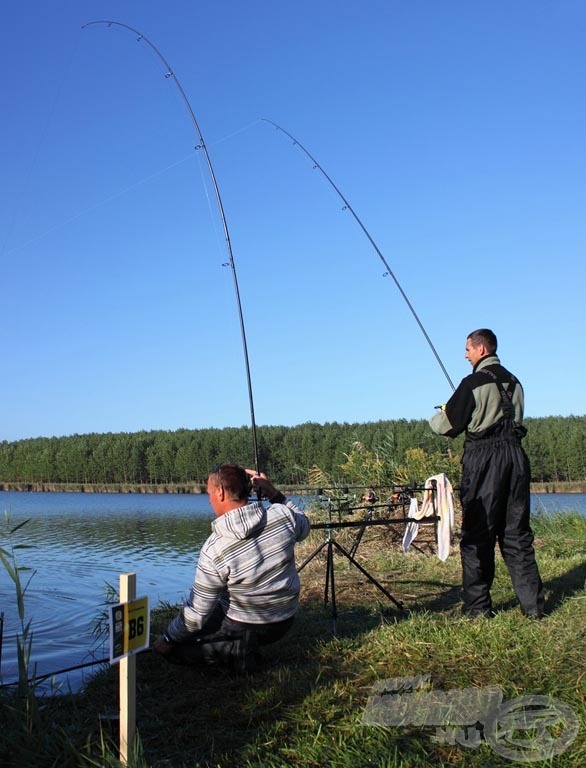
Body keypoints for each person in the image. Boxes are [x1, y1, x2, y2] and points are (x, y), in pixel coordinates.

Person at [429, 329, 544, 619]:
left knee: (478, 534)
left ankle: (479, 608)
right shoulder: (515, 382)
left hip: (485, 460)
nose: (465, 354)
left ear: (481, 349)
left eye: (468, 349)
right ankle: (534, 608)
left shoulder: (472, 382)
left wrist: (441, 411)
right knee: (517, 534)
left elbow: (447, 426)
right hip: (516, 458)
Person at [153, 463, 311, 671]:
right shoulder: (282, 515)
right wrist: (273, 492)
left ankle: (237, 651)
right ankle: (239, 646)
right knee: (213, 611)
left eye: (208, 492)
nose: (208, 499)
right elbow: (305, 525)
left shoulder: (214, 548)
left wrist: (167, 638)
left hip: (244, 624)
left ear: (219, 492)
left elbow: (196, 615)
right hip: (284, 621)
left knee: (176, 648)